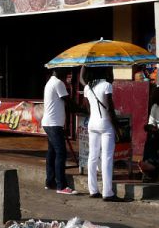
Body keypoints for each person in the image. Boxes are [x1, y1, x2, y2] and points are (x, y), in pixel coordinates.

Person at [82, 67, 124, 201]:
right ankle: (107, 192)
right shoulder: (107, 86)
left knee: (93, 156)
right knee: (106, 158)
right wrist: (117, 128)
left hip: (92, 124)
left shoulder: (88, 88)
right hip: (105, 124)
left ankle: (93, 190)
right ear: (105, 72)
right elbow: (110, 109)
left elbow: (87, 108)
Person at [41, 69, 78, 195]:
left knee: (52, 153)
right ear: (59, 72)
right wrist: (81, 109)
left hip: (50, 123)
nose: (68, 74)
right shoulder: (58, 83)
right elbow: (67, 101)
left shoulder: (50, 82)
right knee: (60, 153)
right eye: (66, 72)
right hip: (54, 124)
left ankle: (50, 182)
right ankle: (61, 186)